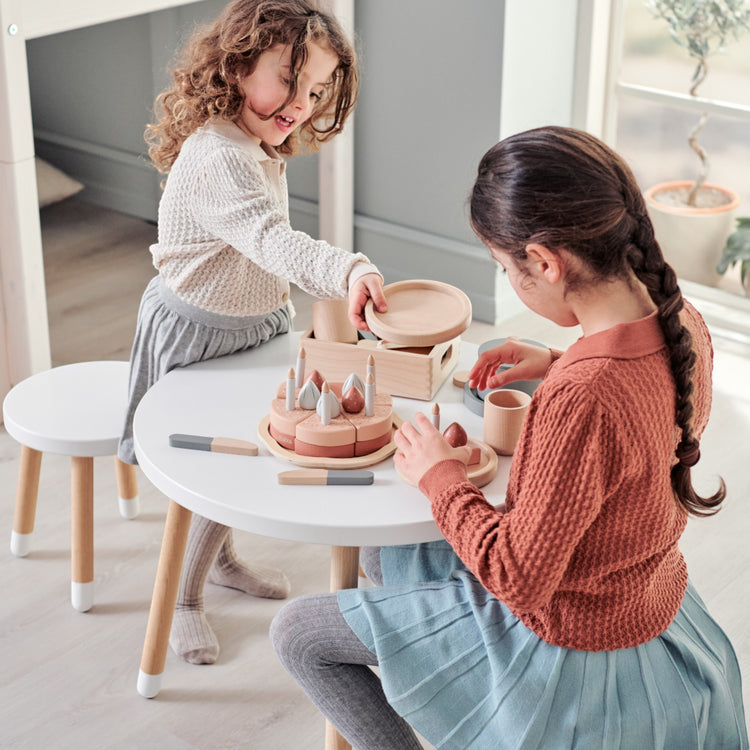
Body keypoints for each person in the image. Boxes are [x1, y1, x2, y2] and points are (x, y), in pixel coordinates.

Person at [270, 126, 748, 749]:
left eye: (506, 267)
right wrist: (558, 360)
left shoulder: (584, 398)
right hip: (641, 591)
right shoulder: (682, 320)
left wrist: (438, 476)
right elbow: (637, 404)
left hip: (567, 631)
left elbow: (519, 578)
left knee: (298, 635)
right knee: (382, 552)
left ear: (547, 262)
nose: (509, 278)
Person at [118, 0, 386, 666]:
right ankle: (181, 599)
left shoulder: (258, 141)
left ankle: (221, 558)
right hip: (199, 334)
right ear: (238, 68)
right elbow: (272, 241)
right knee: (211, 472)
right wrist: (347, 267)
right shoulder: (223, 157)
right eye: (288, 82)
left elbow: (262, 251)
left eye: (316, 89)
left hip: (250, 327)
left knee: (242, 456)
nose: (301, 103)